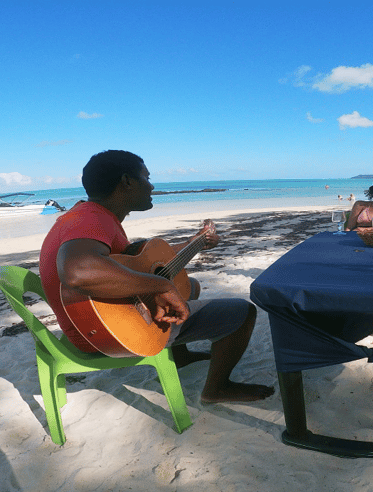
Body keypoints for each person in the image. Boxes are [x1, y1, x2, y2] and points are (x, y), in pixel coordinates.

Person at [39, 150, 274, 403]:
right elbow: (78, 271)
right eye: (146, 178)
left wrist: (193, 244)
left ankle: (181, 356)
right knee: (241, 313)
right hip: (105, 334)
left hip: (87, 324)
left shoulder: (85, 215)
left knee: (190, 287)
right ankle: (217, 389)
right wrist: (159, 284)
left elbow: (137, 266)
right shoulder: (92, 220)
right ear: (127, 182)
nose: (151, 186)